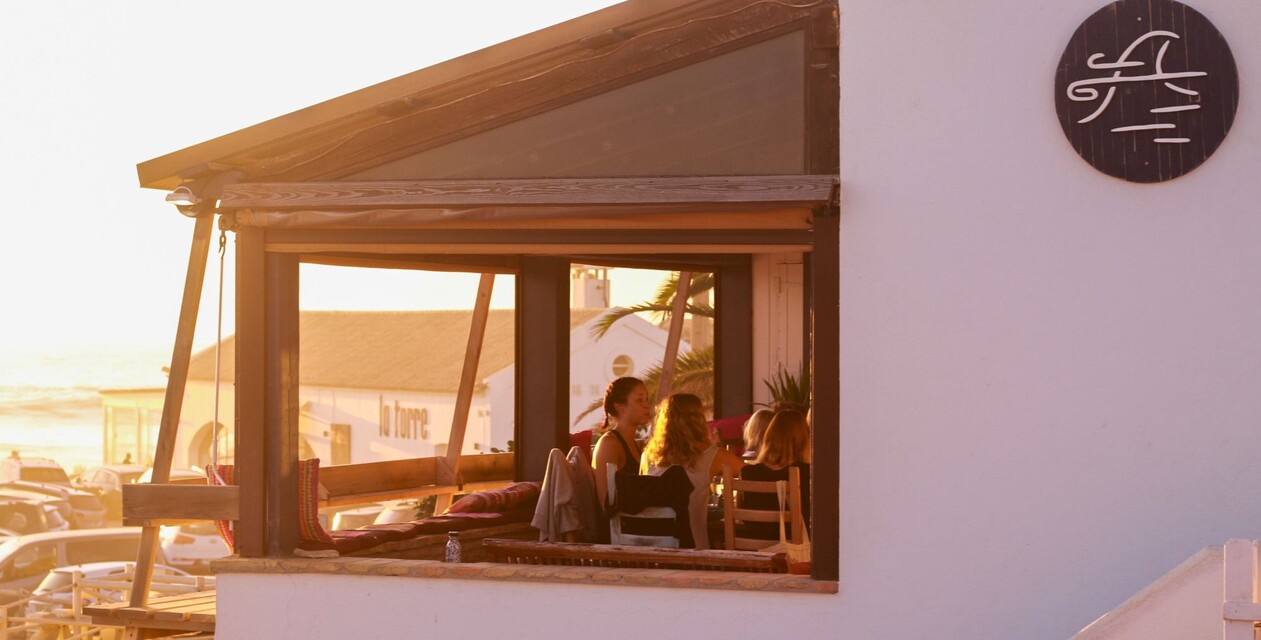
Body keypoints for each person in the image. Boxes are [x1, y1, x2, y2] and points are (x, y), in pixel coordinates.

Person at [640, 393, 742, 549]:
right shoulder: (714, 456)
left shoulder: (648, 456)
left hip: (652, 548)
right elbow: (752, 476)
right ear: (699, 420)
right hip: (693, 549)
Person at [740, 408, 811, 541]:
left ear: (769, 435)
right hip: (795, 552)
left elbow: (742, 515)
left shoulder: (748, 472)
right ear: (803, 439)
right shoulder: (807, 473)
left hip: (755, 546)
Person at [591, 377, 651, 509]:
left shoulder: (636, 444)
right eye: (639, 400)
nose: (647, 405)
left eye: (647, 399)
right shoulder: (609, 444)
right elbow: (606, 502)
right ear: (620, 407)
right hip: (622, 527)